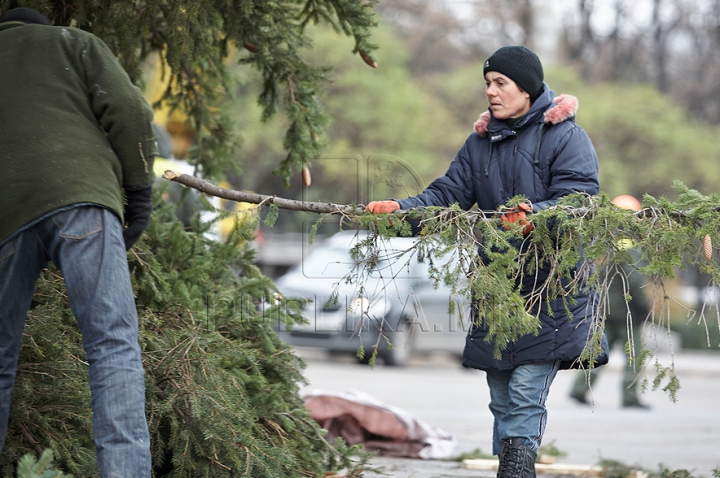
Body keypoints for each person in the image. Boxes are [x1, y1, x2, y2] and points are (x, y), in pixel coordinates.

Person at [366, 45, 609, 478]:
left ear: (528, 90)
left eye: (501, 84)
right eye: (487, 84)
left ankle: (516, 471)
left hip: (550, 290)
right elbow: (445, 197)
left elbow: (580, 201)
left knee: (524, 393)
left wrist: (537, 218)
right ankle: (513, 466)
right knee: (500, 394)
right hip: (498, 288)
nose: (490, 93)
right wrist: (400, 211)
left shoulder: (566, 137)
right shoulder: (480, 144)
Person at [0, 7, 156, 477]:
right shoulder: (74, 42)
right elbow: (129, 111)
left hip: (6, 215)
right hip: (82, 200)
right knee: (112, 344)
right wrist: (139, 193)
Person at [570, 194, 651, 409]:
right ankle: (630, 398)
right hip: (626, 312)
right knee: (633, 356)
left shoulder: (602, 240)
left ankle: (579, 389)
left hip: (603, 308)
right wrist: (643, 307)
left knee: (598, 352)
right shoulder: (626, 242)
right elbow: (633, 278)